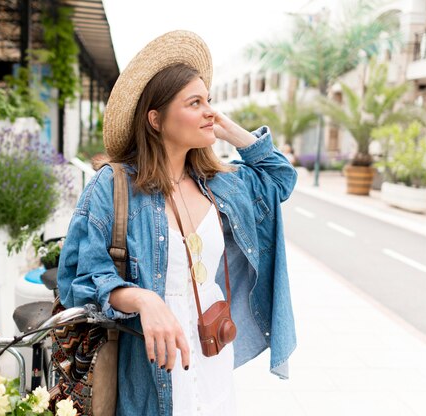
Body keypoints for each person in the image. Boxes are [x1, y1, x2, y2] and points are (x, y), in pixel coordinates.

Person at [57, 31, 297, 416]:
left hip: (212, 353)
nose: (209, 112)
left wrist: (225, 128)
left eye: (210, 102)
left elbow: (280, 179)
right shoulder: (115, 185)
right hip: (150, 366)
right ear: (155, 119)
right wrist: (142, 298)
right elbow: (81, 276)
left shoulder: (222, 183)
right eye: (195, 103)